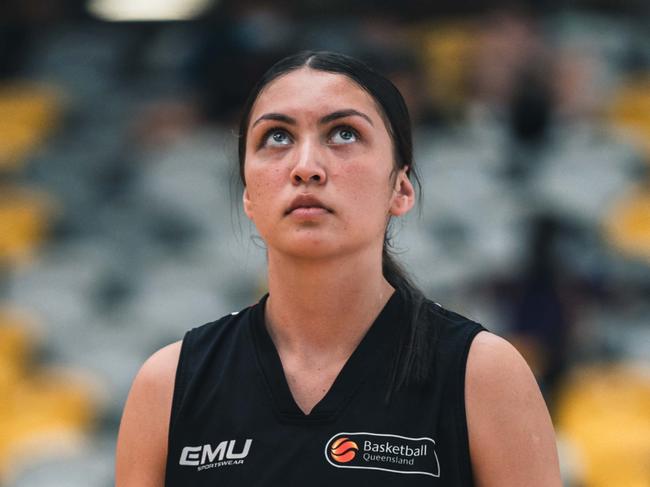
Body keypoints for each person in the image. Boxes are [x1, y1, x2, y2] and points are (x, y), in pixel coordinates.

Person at [115, 51, 562, 486]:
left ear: (401, 188)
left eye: (343, 134)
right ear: (248, 194)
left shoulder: (483, 374)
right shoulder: (170, 383)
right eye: (277, 137)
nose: (306, 167)